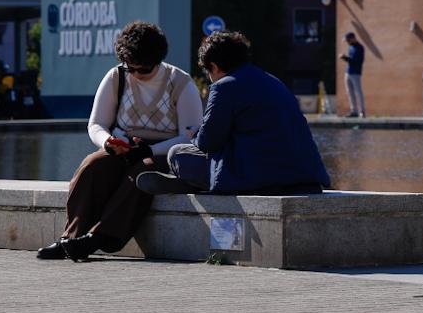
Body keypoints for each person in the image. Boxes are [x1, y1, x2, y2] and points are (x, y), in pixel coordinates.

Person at [36, 21, 203, 261]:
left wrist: (150, 149)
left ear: (158, 60)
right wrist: (107, 142)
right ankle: (71, 238)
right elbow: (96, 124)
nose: (136, 74)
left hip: (164, 153)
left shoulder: (180, 82)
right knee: (92, 166)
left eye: (144, 70)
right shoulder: (117, 77)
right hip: (123, 146)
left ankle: (100, 237)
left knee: (143, 172)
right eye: (131, 68)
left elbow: (190, 137)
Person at [138, 31, 331, 195]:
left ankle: (189, 184)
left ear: (214, 66)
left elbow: (208, 142)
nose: (210, 78)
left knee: (177, 153)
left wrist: (194, 135)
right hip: (305, 177)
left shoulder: (224, 86)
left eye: (208, 72)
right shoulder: (273, 81)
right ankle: (191, 184)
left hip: (260, 179)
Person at [339, 32, 366, 118]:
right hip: (348, 72)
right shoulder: (351, 47)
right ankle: (354, 111)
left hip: (356, 73)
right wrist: (346, 58)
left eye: (348, 40)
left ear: (352, 38)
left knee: (358, 92)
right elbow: (351, 60)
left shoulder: (359, 48)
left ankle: (362, 111)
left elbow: (356, 61)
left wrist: (344, 57)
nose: (347, 42)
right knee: (350, 92)